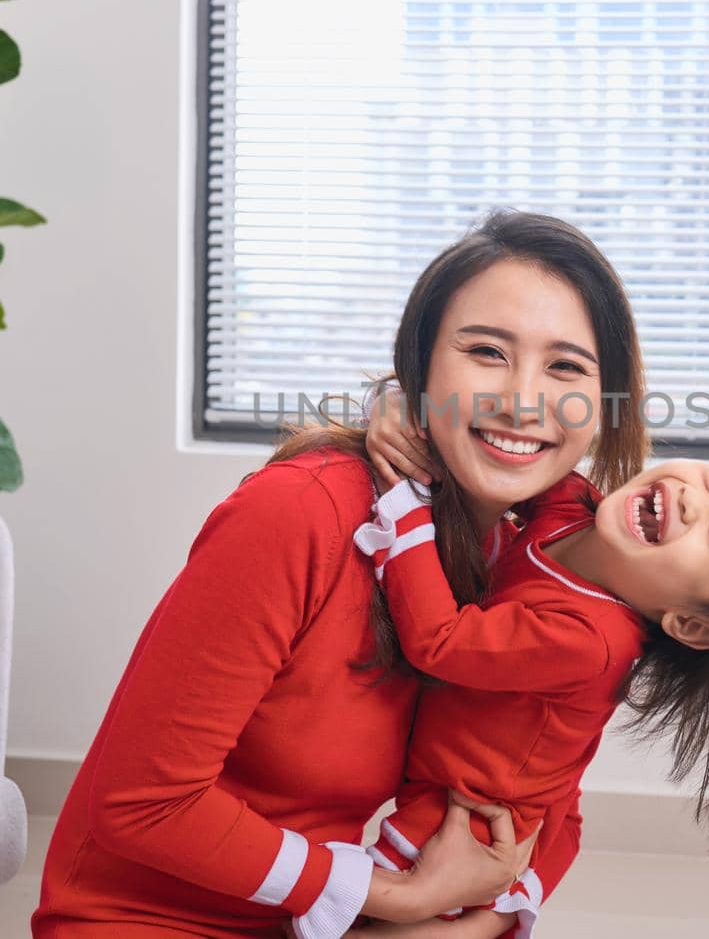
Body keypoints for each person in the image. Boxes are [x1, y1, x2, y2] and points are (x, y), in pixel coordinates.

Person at [31, 208, 649, 938]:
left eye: (566, 366)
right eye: (486, 350)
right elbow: (142, 803)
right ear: (420, 366)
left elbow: (546, 788)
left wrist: (469, 924)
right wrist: (397, 898)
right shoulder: (301, 512)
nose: (521, 399)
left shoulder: (520, 561)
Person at [344, 456, 709, 937]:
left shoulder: (590, 641)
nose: (693, 499)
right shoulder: (573, 505)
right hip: (487, 794)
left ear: (688, 623)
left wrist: (405, 506)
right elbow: (501, 464)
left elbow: (439, 641)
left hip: (466, 817)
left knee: (342, 915)